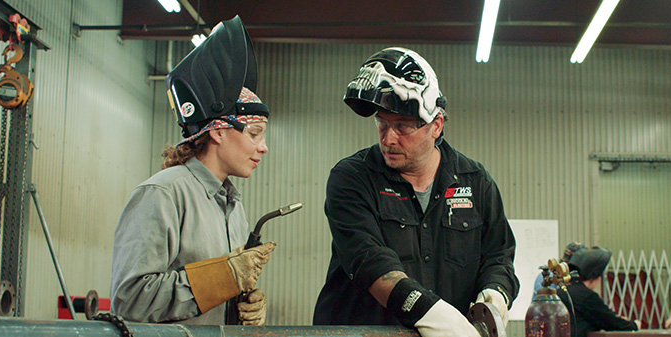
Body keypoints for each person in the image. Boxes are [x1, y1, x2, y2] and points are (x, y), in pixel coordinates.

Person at [312, 47, 519, 336]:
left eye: (402, 126)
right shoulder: (352, 178)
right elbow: (370, 261)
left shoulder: (475, 182)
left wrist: (495, 295)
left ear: (436, 125)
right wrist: (432, 315)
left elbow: (499, 256)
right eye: (382, 124)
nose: (389, 138)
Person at [110, 16, 276, 326]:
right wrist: (223, 278)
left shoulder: (231, 204)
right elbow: (130, 300)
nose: (263, 147)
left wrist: (244, 305)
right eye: (254, 133)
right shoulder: (163, 194)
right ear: (218, 132)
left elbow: (219, 293)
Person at [556, 247, 640, 337]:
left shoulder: (562, 291)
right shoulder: (586, 296)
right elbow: (609, 321)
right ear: (596, 277)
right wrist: (634, 325)